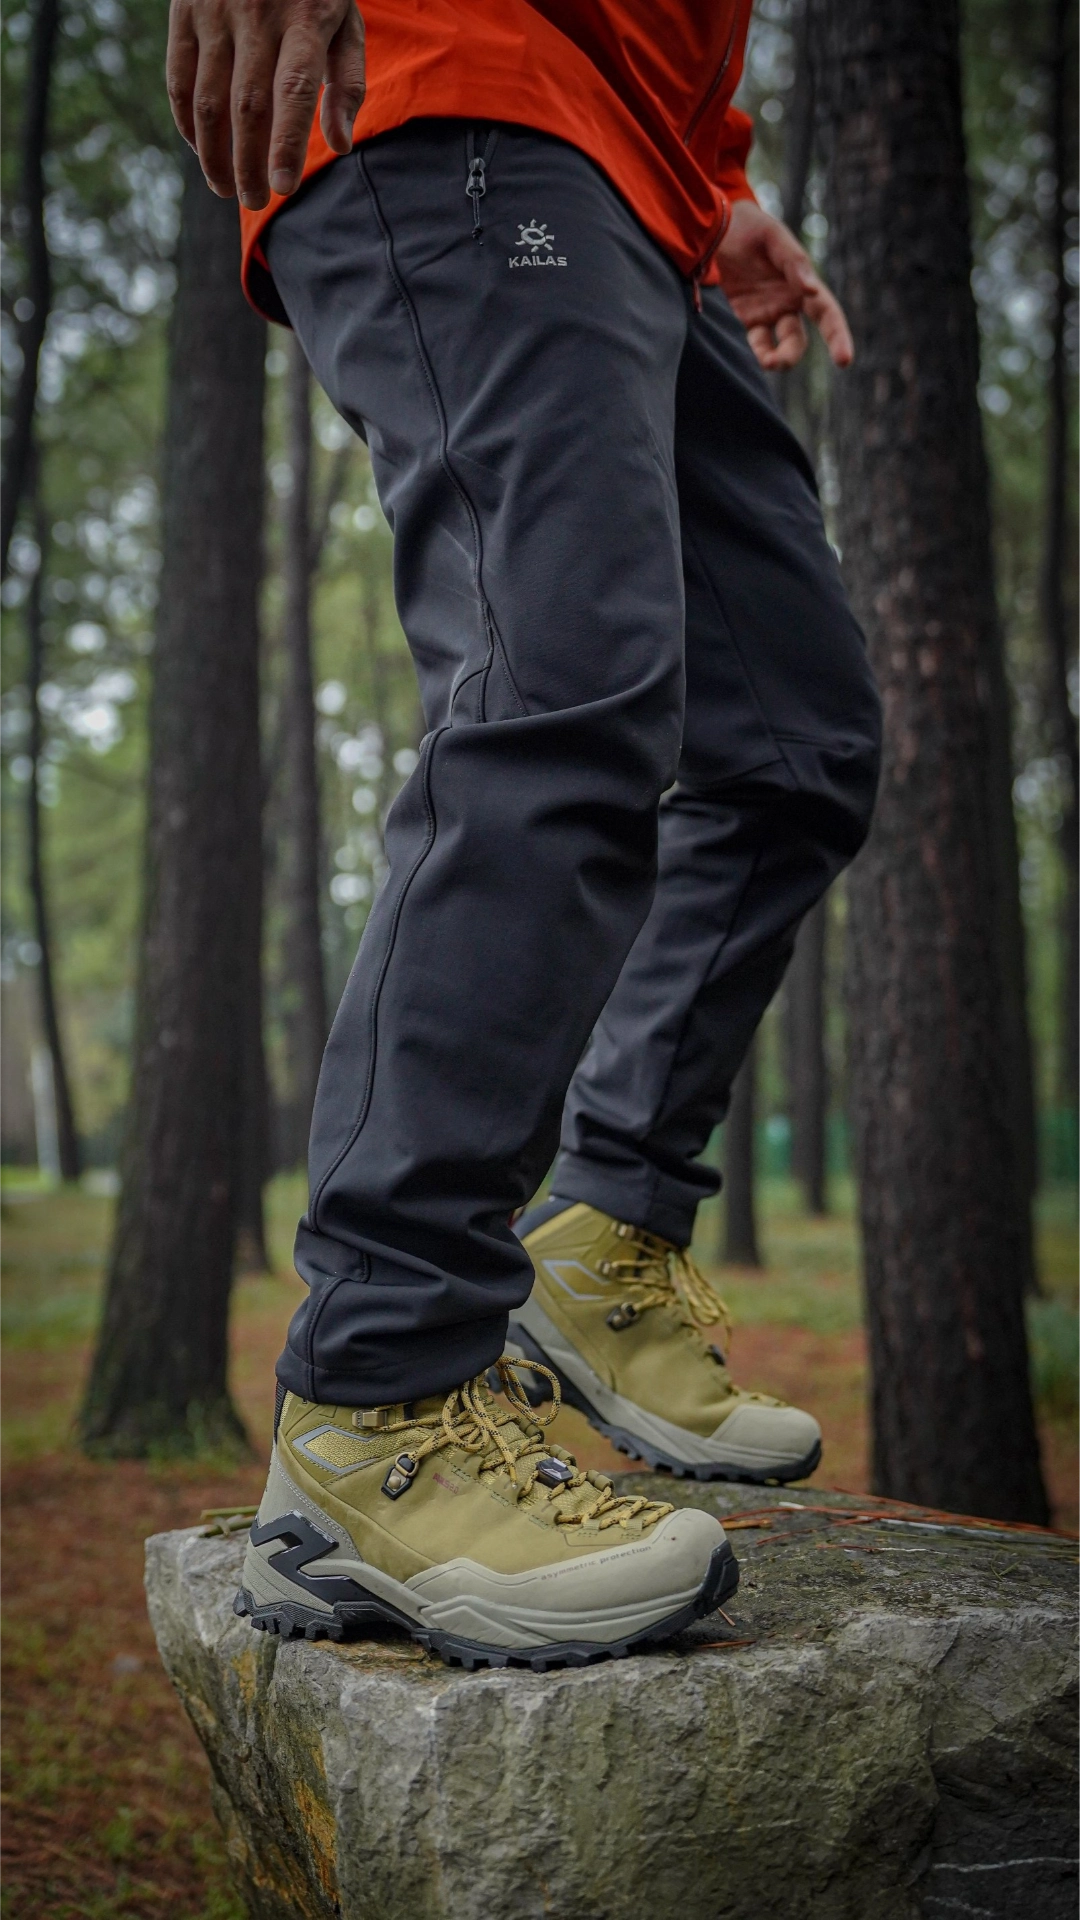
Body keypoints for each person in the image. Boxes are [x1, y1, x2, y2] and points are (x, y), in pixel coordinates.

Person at [168, 0, 882, 1670]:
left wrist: (716, 185)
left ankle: (604, 1228)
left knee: (794, 743)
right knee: (557, 692)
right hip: (460, 81)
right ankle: (377, 1406)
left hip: (643, 179)